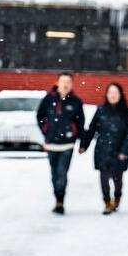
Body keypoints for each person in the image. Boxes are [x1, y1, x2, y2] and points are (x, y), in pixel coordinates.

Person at [80, 82, 128, 214]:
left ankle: (117, 198)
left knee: (117, 179)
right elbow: (92, 129)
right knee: (104, 178)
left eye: (115, 93)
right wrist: (84, 145)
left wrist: (124, 151)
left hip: (119, 151)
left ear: (120, 95)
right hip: (102, 150)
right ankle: (107, 202)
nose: (112, 95)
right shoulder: (101, 110)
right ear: (106, 94)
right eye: (110, 92)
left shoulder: (126, 112)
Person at [35, 73, 84, 215]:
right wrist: (46, 130)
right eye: (63, 81)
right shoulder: (49, 99)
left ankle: (60, 202)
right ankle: (57, 196)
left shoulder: (76, 102)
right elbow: (40, 116)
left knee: (62, 173)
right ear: (58, 83)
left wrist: (82, 142)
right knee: (54, 174)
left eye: (68, 81)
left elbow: (80, 123)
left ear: (72, 84)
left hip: (67, 144)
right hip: (51, 144)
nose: (65, 84)